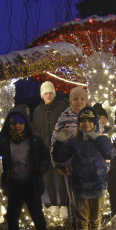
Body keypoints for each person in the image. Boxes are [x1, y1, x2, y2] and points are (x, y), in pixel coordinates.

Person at [0, 106, 51, 230]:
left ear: (26, 123)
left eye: (20, 123)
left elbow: (45, 157)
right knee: (12, 216)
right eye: (13, 123)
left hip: (31, 184)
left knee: (37, 216)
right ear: (9, 124)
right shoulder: (5, 141)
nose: (17, 126)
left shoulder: (35, 139)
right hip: (14, 183)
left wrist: (42, 168)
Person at [52, 107, 116, 230]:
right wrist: (59, 142)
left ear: (94, 123)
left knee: (96, 220)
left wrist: (96, 137)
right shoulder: (73, 140)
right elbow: (59, 157)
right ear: (79, 122)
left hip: (98, 186)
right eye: (83, 121)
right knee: (82, 221)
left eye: (89, 121)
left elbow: (111, 153)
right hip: (80, 188)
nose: (86, 124)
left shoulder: (101, 139)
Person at [51, 86, 92, 230]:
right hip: (71, 166)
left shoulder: (92, 116)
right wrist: (57, 163)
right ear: (71, 101)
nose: (79, 102)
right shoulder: (64, 117)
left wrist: (105, 164)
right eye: (76, 99)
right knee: (75, 200)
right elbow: (55, 140)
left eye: (82, 99)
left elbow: (102, 140)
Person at [33, 81, 68, 218]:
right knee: (48, 178)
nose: (48, 95)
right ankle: (54, 205)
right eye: (45, 93)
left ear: (54, 93)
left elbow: (67, 126)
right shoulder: (37, 110)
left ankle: (64, 206)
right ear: (42, 95)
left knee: (60, 178)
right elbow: (36, 130)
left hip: (59, 150)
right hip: (44, 151)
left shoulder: (62, 107)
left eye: (50, 92)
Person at [93, 103, 116, 217]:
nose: (102, 120)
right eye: (99, 118)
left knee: (112, 189)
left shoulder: (111, 131)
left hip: (112, 167)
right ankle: (97, 211)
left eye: (104, 118)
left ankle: (114, 209)